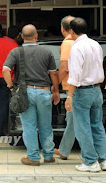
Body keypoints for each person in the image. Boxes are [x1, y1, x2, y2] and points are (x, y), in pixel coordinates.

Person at [3, 24, 60, 166]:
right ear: (36, 36)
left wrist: (11, 87)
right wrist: (56, 91)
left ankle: (33, 158)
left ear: (22, 37)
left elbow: (5, 70)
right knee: (46, 126)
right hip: (44, 91)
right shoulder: (46, 51)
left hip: (25, 93)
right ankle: (48, 155)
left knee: (29, 126)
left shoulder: (16, 51)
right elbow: (53, 73)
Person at [65, 17, 106, 172]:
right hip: (97, 90)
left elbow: (75, 75)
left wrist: (69, 96)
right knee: (97, 126)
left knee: (83, 128)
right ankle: (103, 160)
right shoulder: (96, 44)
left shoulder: (77, 48)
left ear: (71, 31)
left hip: (82, 91)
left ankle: (90, 162)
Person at [54, 16, 75, 160]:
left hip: (71, 87)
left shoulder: (67, 44)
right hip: (89, 87)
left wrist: (55, 85)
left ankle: (64, 150)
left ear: (63, 28)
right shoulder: (86, 43)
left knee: (72, 120)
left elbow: (64, 67)